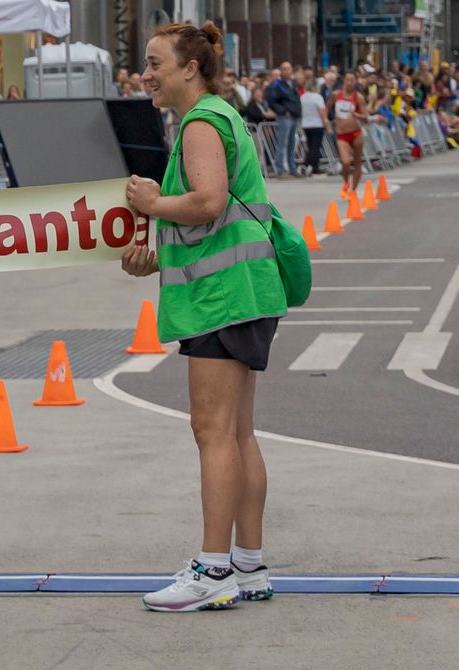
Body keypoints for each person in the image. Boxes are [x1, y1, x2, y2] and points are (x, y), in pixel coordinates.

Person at [121, 21, 286, 613]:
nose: (146, 73)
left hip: (222, 299)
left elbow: (208, 201)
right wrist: (154, 255)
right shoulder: (222, 114)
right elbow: (210, 221)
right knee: (239, 434)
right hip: (246, 292)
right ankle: (249, 564)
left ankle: (213, 570)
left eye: (155, 62)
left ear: (191, 67)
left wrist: (152, 204)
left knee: (212, 431)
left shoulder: (199, 124)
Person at [333, 72, 369, 198]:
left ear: (355, 82)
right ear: (344, 81)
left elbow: (366, 117)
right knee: (346, 162)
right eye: (347, 80)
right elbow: (326, 108)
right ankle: (346, 182)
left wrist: (357, 115)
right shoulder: (336, 95)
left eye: (352, 80)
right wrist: (328, 123)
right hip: (342, 135)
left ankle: (353, 191)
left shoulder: (358, 97)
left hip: (356, 133)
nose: (350, 82)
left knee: (358, 163)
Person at [266, 63, 303, 177]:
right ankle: (279, 169)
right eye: (284, 69)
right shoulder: (276, 85)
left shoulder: (292, 83)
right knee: (282, 144)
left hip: (294, 116)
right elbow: (271, 101)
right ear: (281, 71)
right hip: (285, 117)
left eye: (289, 69)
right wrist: (282, 111)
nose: (287, 71)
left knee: (292, 144)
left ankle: (292, 169)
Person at [300, 76, 328, 176]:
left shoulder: (303, 97)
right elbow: (322, 112)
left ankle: (314, 167)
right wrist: (327, 124)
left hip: (306, 124)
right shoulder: (317, 97)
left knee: (311, 146)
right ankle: (307, 164)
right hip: (317, 124)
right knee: (316, 147)